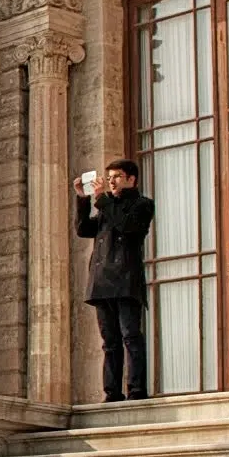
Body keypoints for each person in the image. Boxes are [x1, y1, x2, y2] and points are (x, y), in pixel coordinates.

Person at [74, 159, 156, 402]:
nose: (111, 181)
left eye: (117, 176)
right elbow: (83, 229)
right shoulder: (107, 206)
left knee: (130, 336)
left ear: (132, 179)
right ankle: (112, 392)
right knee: (109, 342)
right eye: (109, 177)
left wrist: (101, 199)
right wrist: (83, 199)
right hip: (101, 282)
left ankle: (136, 390)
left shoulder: (142, 204)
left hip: (126, 281)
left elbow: (127, 226)